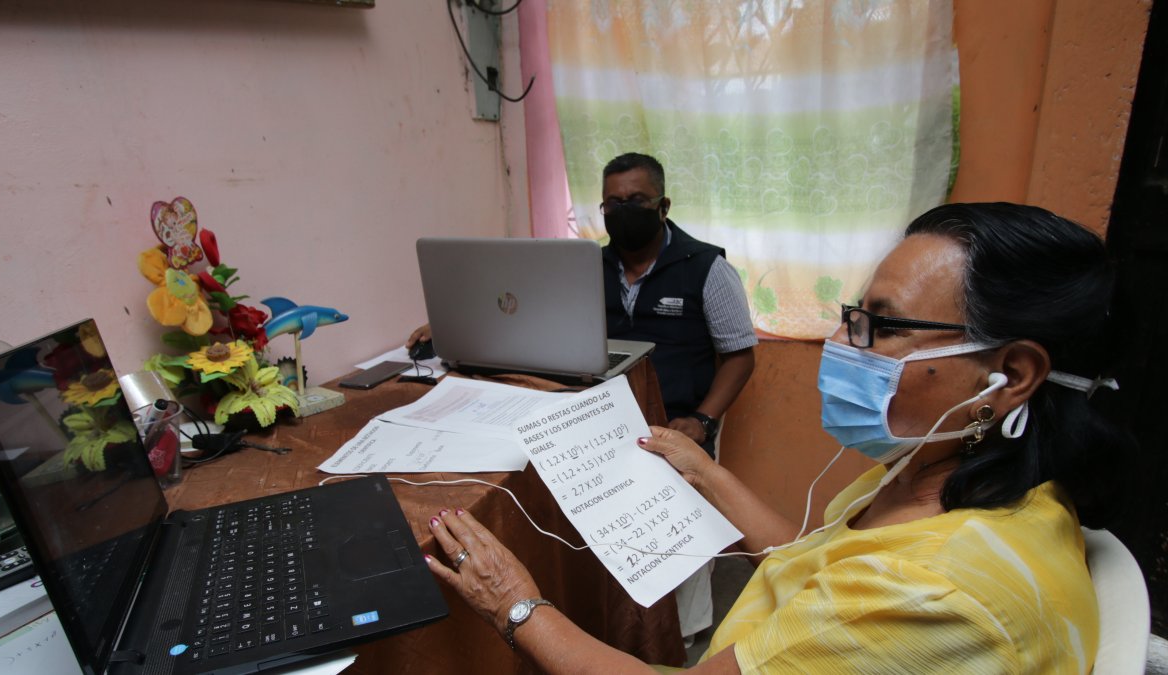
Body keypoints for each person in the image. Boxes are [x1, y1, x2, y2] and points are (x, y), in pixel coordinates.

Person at [418, 202, 1135, 673]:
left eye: (878, 327)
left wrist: (513, 600)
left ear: (1011, 374)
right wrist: (705, 471)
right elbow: (810, 558)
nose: (841, 345)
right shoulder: (959, 473)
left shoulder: (935, 592)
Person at [407, 152, 757, 455]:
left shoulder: (706, 268)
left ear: (663, 207)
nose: (624, 212)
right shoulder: (581, 267)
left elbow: (739, 356)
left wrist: (703, 420)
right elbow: (527, 320)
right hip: (592, 419)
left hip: (672, 424)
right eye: (614, 204)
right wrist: (448, 324)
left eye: (636, 201)